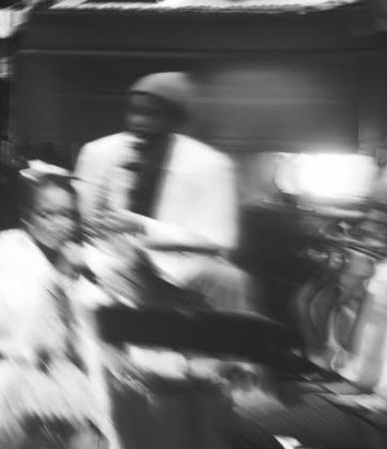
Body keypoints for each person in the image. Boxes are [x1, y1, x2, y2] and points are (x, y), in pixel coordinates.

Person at [0, 163, 121, 449]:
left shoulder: (84, 258)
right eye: (47, 214)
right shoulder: (3, 250)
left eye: (66, 214)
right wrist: (60, 275)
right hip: (8, 371)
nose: (58, 223)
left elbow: (96, 326)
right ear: (27, 216)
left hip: (70, 378)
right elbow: (14, 330)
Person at [73, 71, 253, 312]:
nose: (138, 121)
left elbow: (218, 241)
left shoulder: (211, 165)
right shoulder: (99, 153)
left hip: (183, 272)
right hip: (111, 264)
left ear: (176, 121)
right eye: (134, 111)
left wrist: (142, 226)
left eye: (152, 114)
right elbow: (84, 222)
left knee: (229, 280)